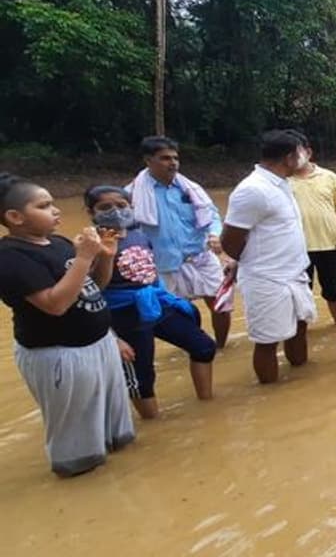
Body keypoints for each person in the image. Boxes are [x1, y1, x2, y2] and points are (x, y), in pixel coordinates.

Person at [0, 173, 134, 477]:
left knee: (117, 436)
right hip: (60, 354)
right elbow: (55, 304)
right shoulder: (10, 258)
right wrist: (85, 257)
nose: (56, 210)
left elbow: (92, 287)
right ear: (15, 217)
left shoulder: (58, 243)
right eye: (44, 206)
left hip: (98, 344)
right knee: (77, 449)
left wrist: (105, 258)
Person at [86, 186, 215, 419]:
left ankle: (207, 407)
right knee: (141, 377)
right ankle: (154, 425)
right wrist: (112, 337)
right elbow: (94, 289)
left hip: (154, 302)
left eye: (121, 205)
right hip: (122, 314)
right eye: (105, 207)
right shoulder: (89, 245)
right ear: (90, 212)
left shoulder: (139, 234)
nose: (115, 211)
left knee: (203, 346)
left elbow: (150, 272)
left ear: (131, 207)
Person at [221, 130, 317, 384]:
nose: (306, 157)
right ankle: (270, 392)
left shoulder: (282, 183)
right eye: (301, 153)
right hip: (267, 279)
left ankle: (301, 385)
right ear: (289, 157)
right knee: (267, 341)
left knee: (300, 328)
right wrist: (249, 262)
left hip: (294, 274)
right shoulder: (253, 190)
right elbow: (229, 241)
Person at [124, 136, 231, 348]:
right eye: (165, 158)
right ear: (148, 160)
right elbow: (127, 232)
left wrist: (215, 234)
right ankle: (195, 346)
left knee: (221, 304)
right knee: (179, 311)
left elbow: (212, 215)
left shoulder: (190, 188)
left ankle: (220, 348)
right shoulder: (131, 194)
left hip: (200, 257)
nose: (172, 163)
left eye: (175, 158)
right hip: (163, 263)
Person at [289, 140, 336, 325]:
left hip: (329, 245)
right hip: (296, 249)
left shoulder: (329, 177)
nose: (293, 158)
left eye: (297, 152)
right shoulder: (283, 181)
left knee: (334, 292)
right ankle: (300, 334)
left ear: (308, 152)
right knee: (299, 295)